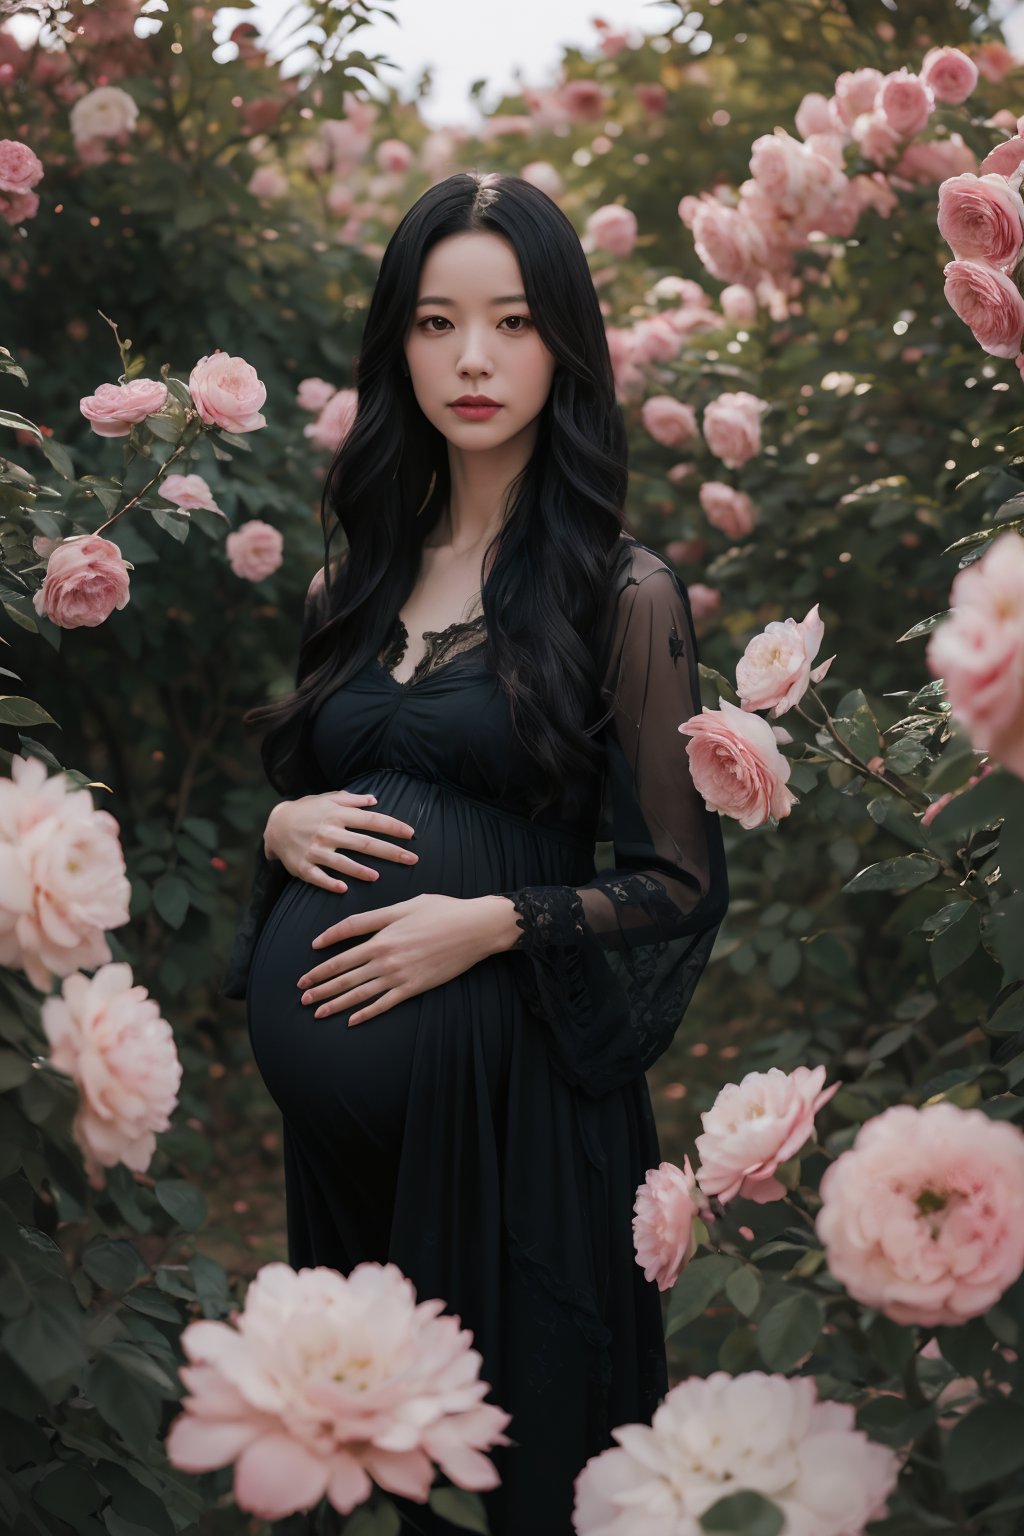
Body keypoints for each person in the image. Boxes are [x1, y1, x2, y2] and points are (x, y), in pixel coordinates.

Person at [221, 170, 729, 1535]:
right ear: (400, 345)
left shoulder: (621, 595)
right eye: (439, 323)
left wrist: (489, 920)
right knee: (367, 1464)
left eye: (510, 321)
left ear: (561, 339)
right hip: (348, 1142)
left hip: (514, 1118)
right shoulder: (354, 583)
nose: (475, 359)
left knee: (515, 1471)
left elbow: (679, 884)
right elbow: (317, 791)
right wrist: (276, 825)